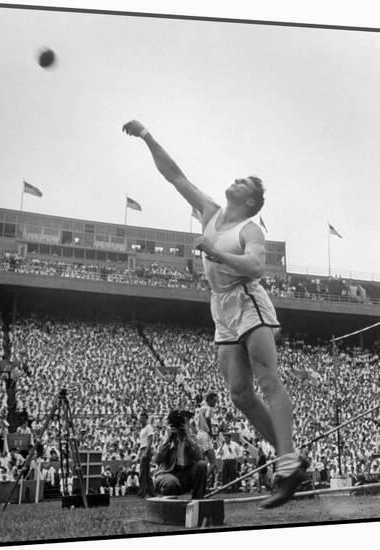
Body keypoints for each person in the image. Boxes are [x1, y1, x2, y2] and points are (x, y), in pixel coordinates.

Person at [123, 120, 303, 508]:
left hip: (248, 299)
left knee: (268, 382)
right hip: (221, 306)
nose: (235, 180)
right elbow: (175, 176)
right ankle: (292, 459)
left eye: (244, 183)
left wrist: (214, 250)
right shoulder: (210, 210)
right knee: (239, 394)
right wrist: (147, 136)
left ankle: (287, 466)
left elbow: (255, 268)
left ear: (252, 201)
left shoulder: (250, 229)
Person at [153, 409, 207, 499]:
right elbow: (158, 460)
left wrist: (188, 438)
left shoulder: (191, 438)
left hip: (185, 474)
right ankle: (171, 508)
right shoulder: (166, 439)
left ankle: (198, 502)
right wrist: (168, 440)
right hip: (168, 473)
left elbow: (200, 457)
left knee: (202, 465)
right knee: (171, 482)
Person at [195, 392, 219, 484]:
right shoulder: (208, 408)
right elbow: (208, 417)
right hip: (205, 435)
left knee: (201, 462)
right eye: (214, 401)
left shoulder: (200, 408)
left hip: (198, 435)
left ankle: (198, 481)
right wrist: (210, 431)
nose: (215, 403)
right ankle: (202, 481)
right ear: (209, 400)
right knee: (213, 462)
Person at [137, 412, 156, 497]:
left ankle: (142, 492)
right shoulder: (142, 429)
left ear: (146, 419)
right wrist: (139, 453)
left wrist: (146, 451)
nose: (142, 419)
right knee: (146, 473)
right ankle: (152, 492)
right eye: (141, 418)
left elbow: (150, 439)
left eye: (144, 418)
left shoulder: (149, 427)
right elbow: (142, 442)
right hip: (142, 449)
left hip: (146, 450)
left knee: (142, 472)